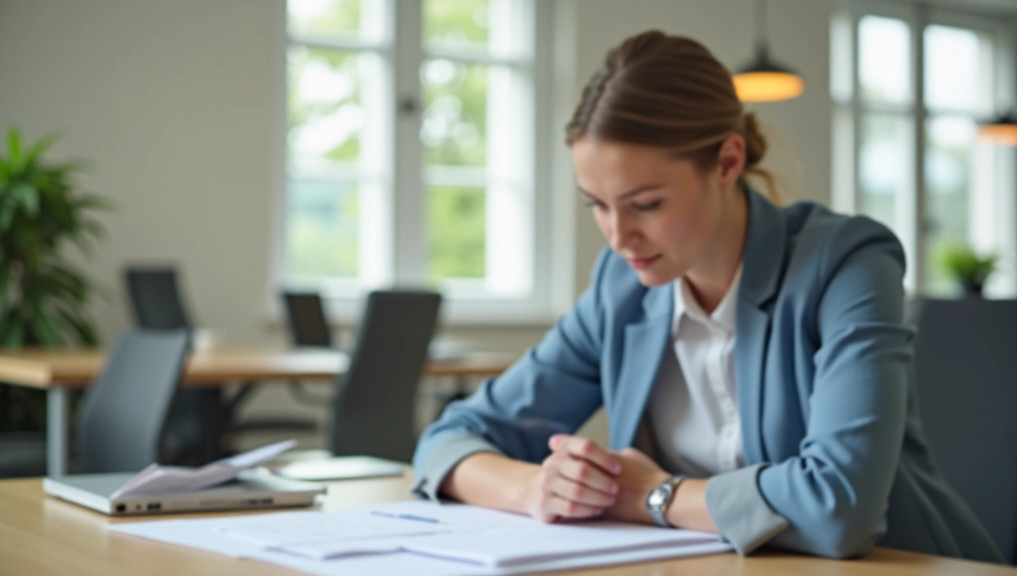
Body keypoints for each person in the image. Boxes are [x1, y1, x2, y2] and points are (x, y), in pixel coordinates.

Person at [411, 30, 1002, 562]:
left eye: (645, 204)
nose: (619, 237)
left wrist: (655, 495)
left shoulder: (846, 264)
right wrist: (540, 489)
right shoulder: (621, 289)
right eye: (597, 205)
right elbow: (450, 439)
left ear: (727, 160)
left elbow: (839, 506)